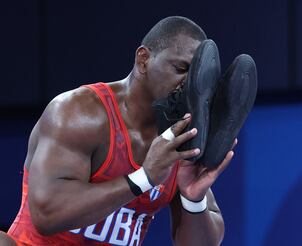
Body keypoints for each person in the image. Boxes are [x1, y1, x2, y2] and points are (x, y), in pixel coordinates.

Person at [5, 16, 235, 245]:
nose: (189, 85)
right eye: (181, 68)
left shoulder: (182, 139)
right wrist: (143, 178)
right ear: (143, 59)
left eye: (197, 76)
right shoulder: (78, 113)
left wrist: (193, 199)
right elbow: (47, 216)